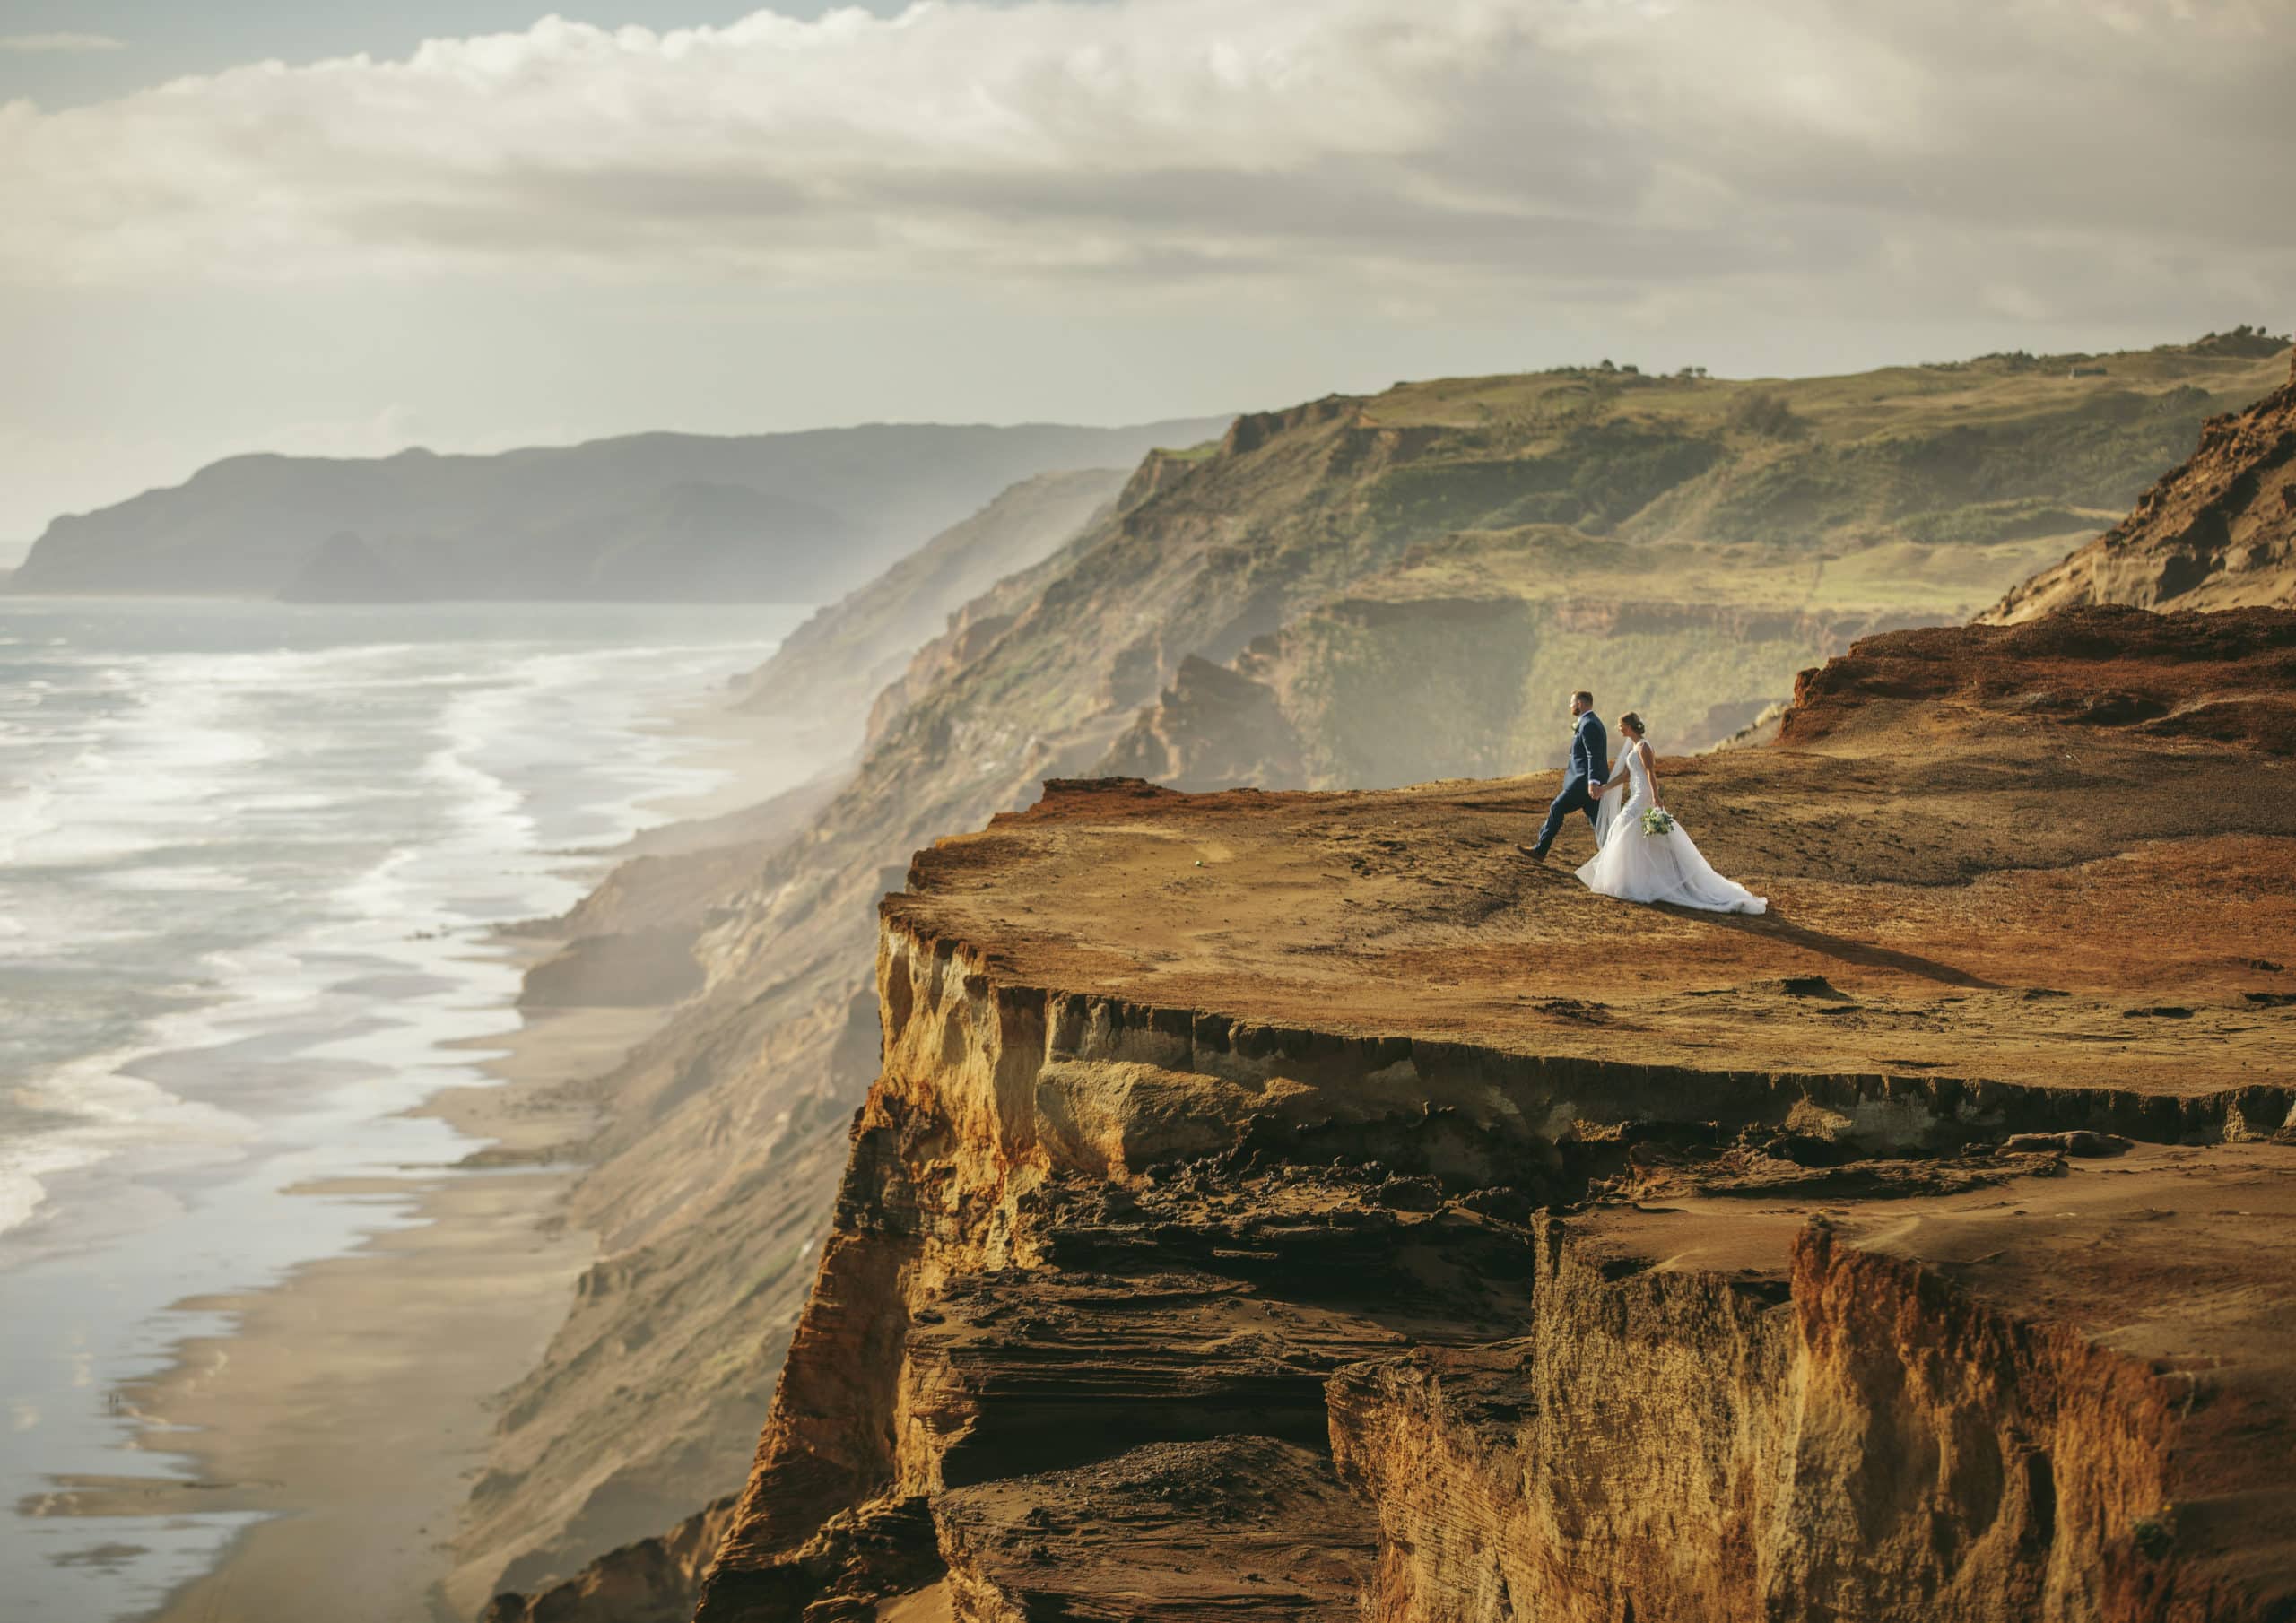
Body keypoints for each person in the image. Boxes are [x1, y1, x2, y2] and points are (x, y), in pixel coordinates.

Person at [1578, 711, 1766, 913]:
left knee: (1625, 828)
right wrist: (1604, 789)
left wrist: (1656, 798)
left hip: (1643, 797)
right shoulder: (1634, 747)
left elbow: (1651, 773)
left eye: (1621, 725)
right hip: (1636, 795)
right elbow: (1625, 774)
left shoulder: (1643, 746)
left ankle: (1631, 882)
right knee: (1632, 835)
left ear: (1629, 727)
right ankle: (1635, 880)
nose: (1618, 728)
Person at [1518, 690, 1607, 863]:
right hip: (1587, 781)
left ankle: (1540, 850)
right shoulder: (1592, 722)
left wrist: (1593, 782)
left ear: (1580, 704)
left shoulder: (1588, 724)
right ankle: (1613, 858)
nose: (1570, 706)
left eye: (1572, 702)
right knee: (1599, 824)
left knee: (1557, 808)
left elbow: (1593, 755)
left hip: (1583, 782)